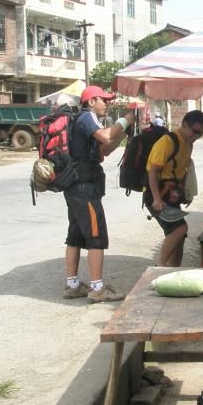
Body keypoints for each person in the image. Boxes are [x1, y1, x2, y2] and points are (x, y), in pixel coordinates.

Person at [62, 86, 136, 303]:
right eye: (104, 100)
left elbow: (104, 151)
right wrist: (125, 120)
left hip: (75, 187)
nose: (107, 104)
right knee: (96, 236)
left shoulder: (84, 120)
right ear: (92, 101)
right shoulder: (87, 117)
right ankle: (97, 288)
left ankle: (73, 285)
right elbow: (105, 136)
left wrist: (124, 132)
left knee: (75, 235)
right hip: (84, 189)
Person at [145, 109, 203, 266]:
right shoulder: (168, 141)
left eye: (201, 133)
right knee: (179, 229)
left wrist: (187, 193)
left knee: (180, 236)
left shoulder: (188, 144)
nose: (197, 136)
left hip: (172, 197)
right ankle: (160, 267)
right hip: (156, 196)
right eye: (195, 131)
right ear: (185, 125)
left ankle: (173, 271)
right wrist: (157, 199)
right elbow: (153, 171)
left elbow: (182, 170)